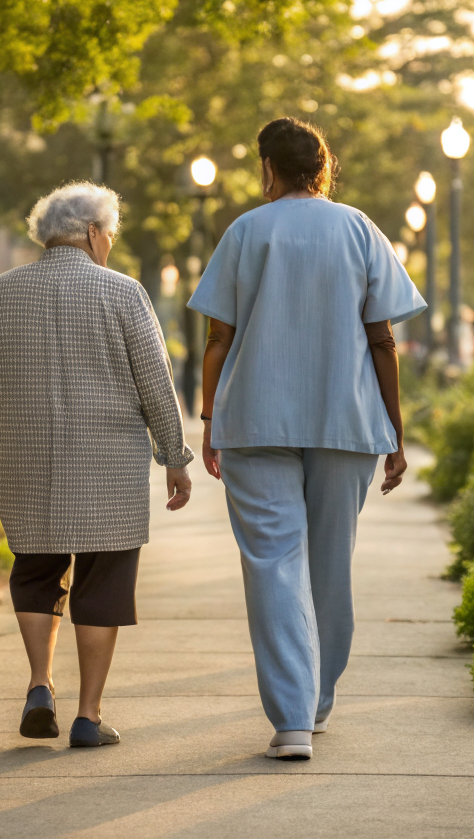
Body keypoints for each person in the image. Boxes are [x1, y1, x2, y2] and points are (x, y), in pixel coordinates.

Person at [189, 117, 425, 761]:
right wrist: (396, 436)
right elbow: (383, 339)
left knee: (273, 562)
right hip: (346, 421)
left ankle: (291, 720)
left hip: (255, 419)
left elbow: (218, 339)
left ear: (268, 168)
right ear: (322, 168)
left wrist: (211, 420)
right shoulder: (359, 229)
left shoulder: (244, 232)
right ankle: (317, 702)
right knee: (329, 562)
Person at [0, 181, 193, 750]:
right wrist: (174, 457)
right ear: (90, 233)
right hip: (107, 467)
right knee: (103, 582)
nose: (109, 242)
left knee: (36, 570)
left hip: (25, 460)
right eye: (108, 232)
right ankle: (88, 715)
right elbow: (156, 387)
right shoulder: (124, 293)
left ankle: (40, 685)